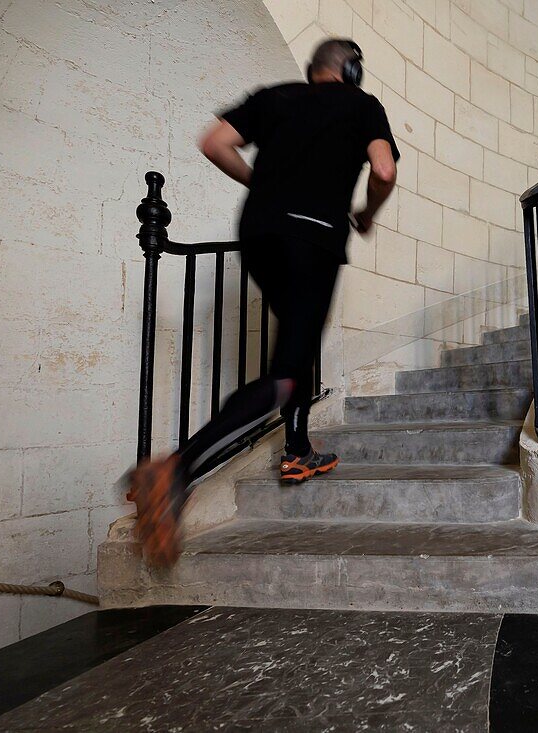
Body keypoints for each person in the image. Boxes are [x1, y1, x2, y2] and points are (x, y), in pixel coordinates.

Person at [128, 38, 400, 566]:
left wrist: (266, 186)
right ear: (352, 70)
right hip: (314, 238)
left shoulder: (274, 96)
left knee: (294, 350)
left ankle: (297, 449)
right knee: (288, 372)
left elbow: (214, 143)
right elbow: (384, 171)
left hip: (258, 233)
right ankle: (174, 469)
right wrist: (367, 213)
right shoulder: (362, 105)